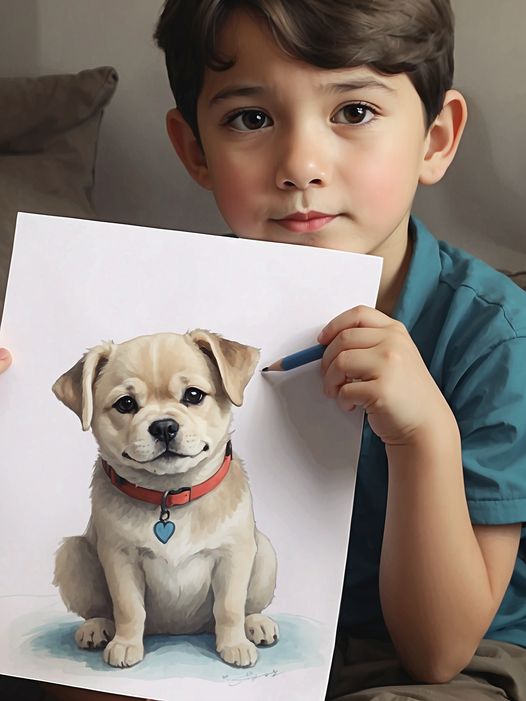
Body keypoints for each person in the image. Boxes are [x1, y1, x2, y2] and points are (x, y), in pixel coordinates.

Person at [1, 1, 525, 699]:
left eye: (355, 112)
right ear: (195, 151)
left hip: (431, 662)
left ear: (435, 139)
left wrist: (422, 432)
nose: (301, 164)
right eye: (251, 118)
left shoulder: (494, 335)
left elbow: (438, 652)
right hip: (196, 635)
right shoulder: (165, 309)